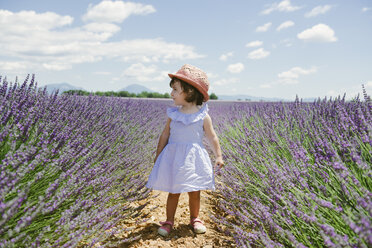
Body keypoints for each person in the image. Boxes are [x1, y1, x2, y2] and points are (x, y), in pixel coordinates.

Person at [145, 64, 224, 237]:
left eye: (175, 90)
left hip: (193, 159)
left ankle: (195, 218)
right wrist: (158, 155)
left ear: (188, 92)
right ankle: (169, 221)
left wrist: (218, 155)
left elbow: (212, 137)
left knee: (195, 191)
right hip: (174, 157)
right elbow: (165, 135)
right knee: (174, 191)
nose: (171, 93)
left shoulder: (203, 115)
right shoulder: (173, 114)